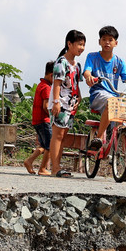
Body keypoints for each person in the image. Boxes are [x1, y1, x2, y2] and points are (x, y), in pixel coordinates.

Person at [83, 25, 126, 182]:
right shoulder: (92, 57)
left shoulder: (119, 62)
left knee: (124, 124)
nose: (107, 42)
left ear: (115, 43)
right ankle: (98, 138)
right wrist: (89, 77)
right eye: (104, 39)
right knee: (111, 102)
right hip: (98, 95)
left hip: (115, 98)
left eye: (110, 40)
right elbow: (87, 71)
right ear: (99, 41)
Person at [46, 30, 86, 177]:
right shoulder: (61, 62)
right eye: (79, 44)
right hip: (61, 103)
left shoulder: (77, 65)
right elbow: (57, 83)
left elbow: (76, 83)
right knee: (57, 136)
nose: (82, 48)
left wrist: (79, 97)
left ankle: (58, 167)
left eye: (83, 45)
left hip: (71, 105)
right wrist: (56, 102)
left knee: (63, 136)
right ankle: (55, 169)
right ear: (69, 44)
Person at [24, 61, 55, 175]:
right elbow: (46, 106)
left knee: (43, 145)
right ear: (52, 75)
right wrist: (54, 116)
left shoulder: (41, 85)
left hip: (37, 121)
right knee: (50, 146)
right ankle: (42, 169)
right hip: (44, 121)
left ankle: (29, 161)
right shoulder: (46, 88)